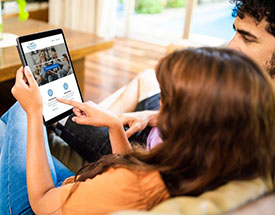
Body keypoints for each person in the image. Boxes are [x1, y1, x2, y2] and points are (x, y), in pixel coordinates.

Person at [1, 47, 274, 214]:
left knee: (17, 113)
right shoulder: (213, 165)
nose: (159, 108)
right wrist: (114, 124)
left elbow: (42, 203)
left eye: (165, 99)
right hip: (78, 193)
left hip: (40, 206)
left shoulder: (136, 186)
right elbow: (130, 172)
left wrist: (35, 112)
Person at [54, 0, 275, 163]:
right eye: (235, 32)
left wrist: (113, 125)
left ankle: (81, 125)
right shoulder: (250, 84)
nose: (231, 46)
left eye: (247, 38)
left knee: (60, 115)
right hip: (163, 130)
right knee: (147, 77)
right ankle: (98, 118)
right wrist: (152, 117)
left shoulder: (254, 127)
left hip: (141, 156)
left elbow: (146, 176)